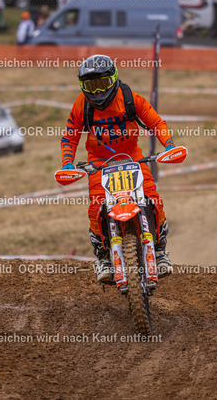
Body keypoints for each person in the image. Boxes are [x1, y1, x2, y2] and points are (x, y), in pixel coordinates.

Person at [59, 55, 176, 282]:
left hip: (132, 158)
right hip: (99, 163)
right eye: (91, 86)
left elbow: (156, 123)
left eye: (102, 84)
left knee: (153, 199)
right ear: (83, 86)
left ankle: (160, 252)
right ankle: (103, 257)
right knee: (96, 208)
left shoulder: (130, 99)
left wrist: (169, 145)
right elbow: (70, 137)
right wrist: (67, 163)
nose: (97, 91)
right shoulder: (82, 104)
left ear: (113, 79)